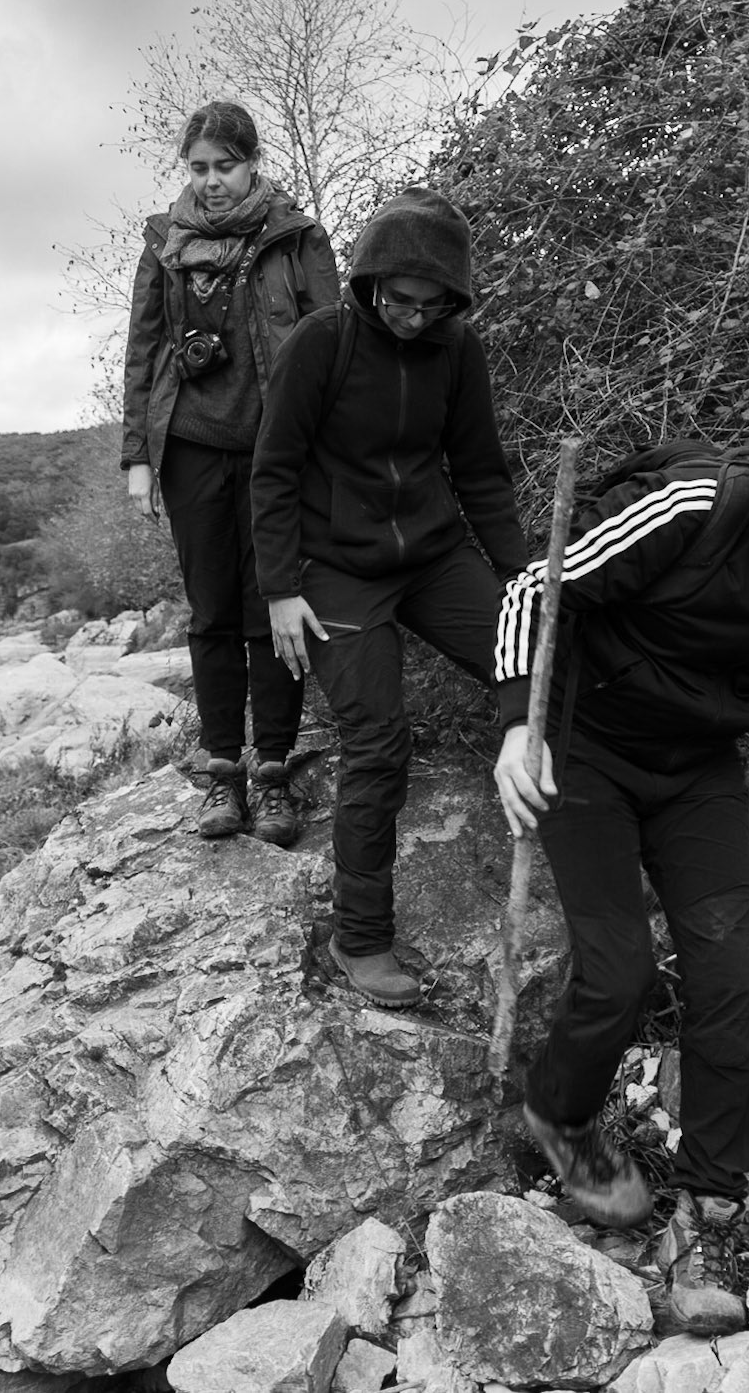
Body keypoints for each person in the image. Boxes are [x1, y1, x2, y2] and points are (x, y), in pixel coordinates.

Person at [492, 416, 749, 1336]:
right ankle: (559, 1116)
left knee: (728, 975)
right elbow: (537, 592)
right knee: (618, 968)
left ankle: (712, 1203)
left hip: (698, 769)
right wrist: (515, 727)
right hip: (589, 743)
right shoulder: (696, 509)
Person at [252, 187, 528, 1009]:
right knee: (378, 737)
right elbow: (273, 470)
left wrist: (521, 581)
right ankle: (361, 936)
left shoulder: (457, 351)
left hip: (434, 555)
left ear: (454, 299)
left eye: (432, 304)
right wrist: (279, 591)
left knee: (538, 664)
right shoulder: (321, 343)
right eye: (400, 300)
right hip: (337, 569)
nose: (412, 317)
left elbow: (479, 471)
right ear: (371, 282)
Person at [121, 100, 340, 845]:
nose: (212, 181)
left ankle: (274, 773)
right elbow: (143, 353)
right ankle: (223, 772)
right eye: (199, 168)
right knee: (212, 611)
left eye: (225, 166)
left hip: (277, 456)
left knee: (271, 610)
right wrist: (137, 460)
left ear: (253, 163)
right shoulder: (163, 244)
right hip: (188, 448)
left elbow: (332, 348)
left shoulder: (298, 238)